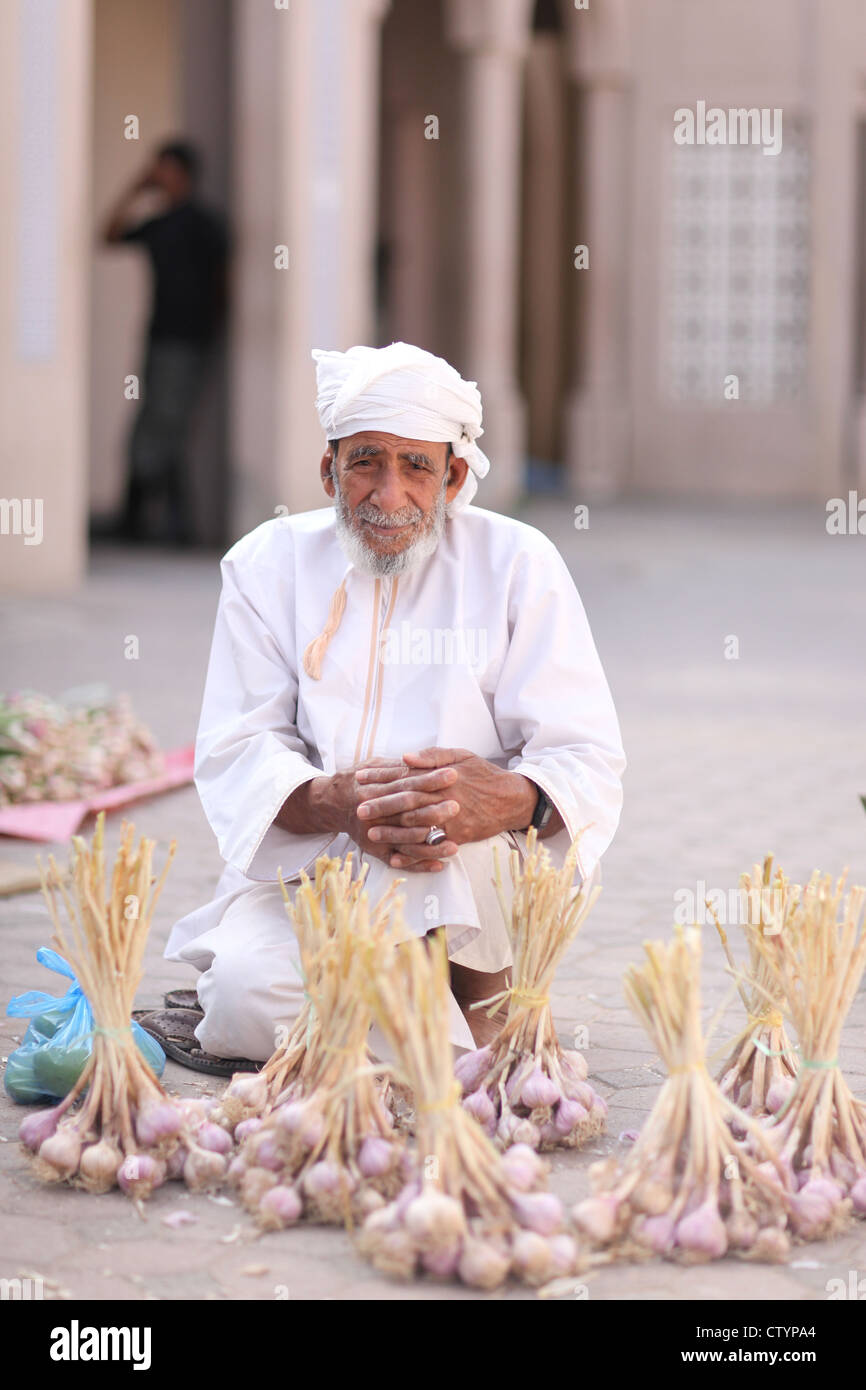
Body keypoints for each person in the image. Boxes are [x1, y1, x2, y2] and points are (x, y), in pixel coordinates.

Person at [149, 342, 625, 1074]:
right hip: (320, 871)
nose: (388, 493)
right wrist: (338, 802)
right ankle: (463, 1031)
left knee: (357, 995)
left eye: (416, 467)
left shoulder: (517, 564)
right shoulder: (267, 564)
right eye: (366, 460)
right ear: (328, 469)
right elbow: (238, 748)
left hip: (473, 867)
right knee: (245, 1004)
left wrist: (503, 800)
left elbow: (584, 757)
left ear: (453, 476)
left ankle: (467, 991)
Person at [102, 140, 230, 544]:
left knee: (163, 430)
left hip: (188, 342)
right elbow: (109, 235)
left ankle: (153, 521)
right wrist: (136, 189)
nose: (159, 177)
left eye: (164, 170)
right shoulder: (161, 223)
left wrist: (211, 337)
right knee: (155, 426)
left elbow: (224, 285)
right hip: (160, 338)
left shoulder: (205, 225)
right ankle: (156, 522)